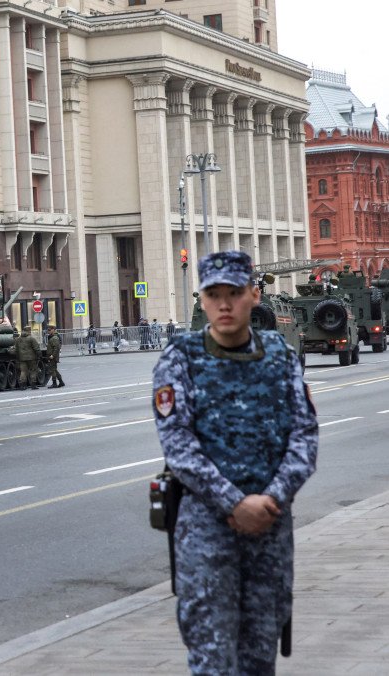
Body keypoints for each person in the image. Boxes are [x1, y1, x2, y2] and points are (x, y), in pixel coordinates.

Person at [152, 250, 318, 675]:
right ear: (203, 300)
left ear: (254, 295)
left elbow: (304, 437)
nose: (224, 304)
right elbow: (179, 446)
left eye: (235, 293)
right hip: (207, 534)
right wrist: (234, 504)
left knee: (260, 658)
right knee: (212, 660)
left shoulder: (279, 356)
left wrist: (270, 500)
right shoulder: (181, 358)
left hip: (270, 528)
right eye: (213, 294)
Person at [11, 325, 41, 389]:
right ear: (29, 331)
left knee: (23, 371)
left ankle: (22, 385)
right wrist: (39, 355)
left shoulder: (18, 339)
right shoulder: (31, 338)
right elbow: (36, 348)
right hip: (32, 358)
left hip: (22, 358)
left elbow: (15, 349)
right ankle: (33, 385)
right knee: (33, 370)